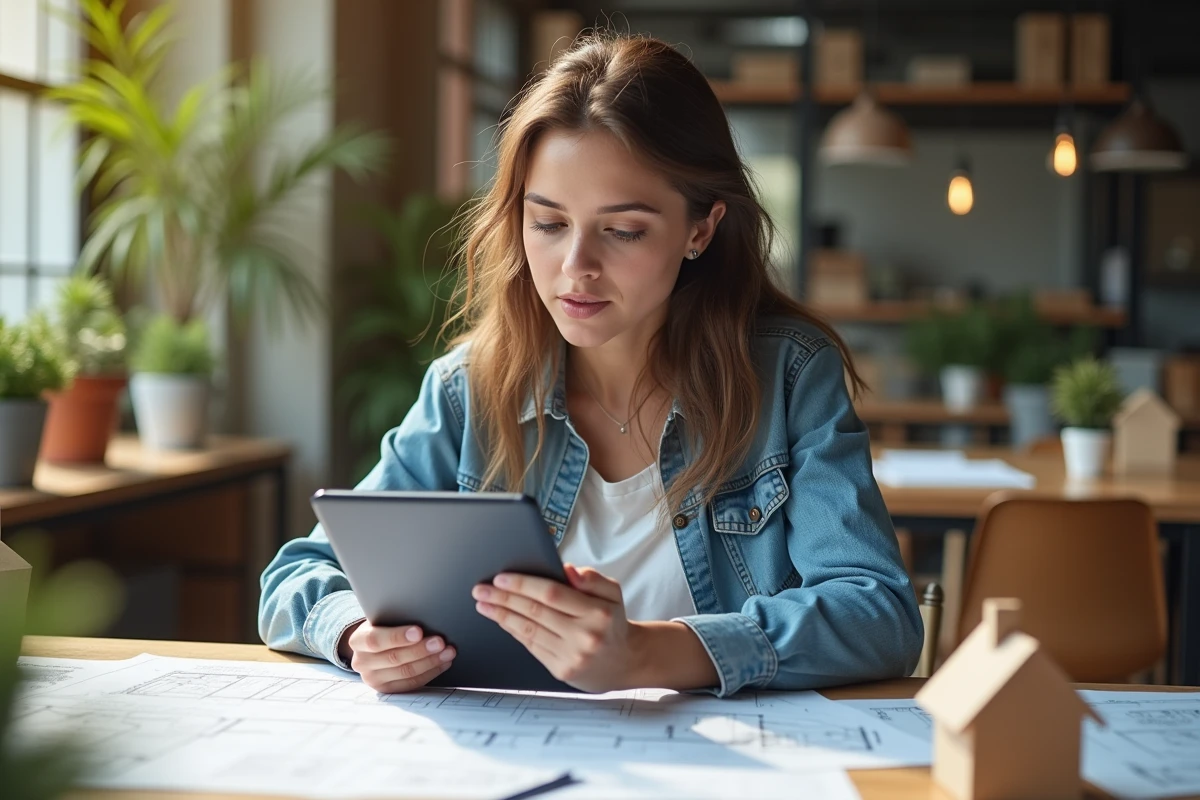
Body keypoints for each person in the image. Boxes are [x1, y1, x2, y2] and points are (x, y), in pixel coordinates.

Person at [259, 32, 921, 698]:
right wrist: (357, 633)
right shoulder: (469, 391)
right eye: (548, 224)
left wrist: (649, 653)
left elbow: (880, 614)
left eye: (623, 230)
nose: (576, 268)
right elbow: (296, 575)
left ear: (700, 229)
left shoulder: (787, 379)